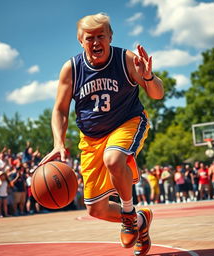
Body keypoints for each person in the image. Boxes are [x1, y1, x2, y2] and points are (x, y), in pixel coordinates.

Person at [39, 13, 164, 256]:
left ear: (110, 37)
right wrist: (58, 143)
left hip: (127, 122)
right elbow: (60, 109)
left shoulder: (125, 59)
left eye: (101, 37)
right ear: (80, 41)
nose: (96, 42)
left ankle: (128, 215)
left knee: (113, 158)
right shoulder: (72, 69)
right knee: (96, 210)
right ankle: (140, 220)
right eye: (90, 38)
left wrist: (149, 76)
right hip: (91, 138)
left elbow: (157, 94)